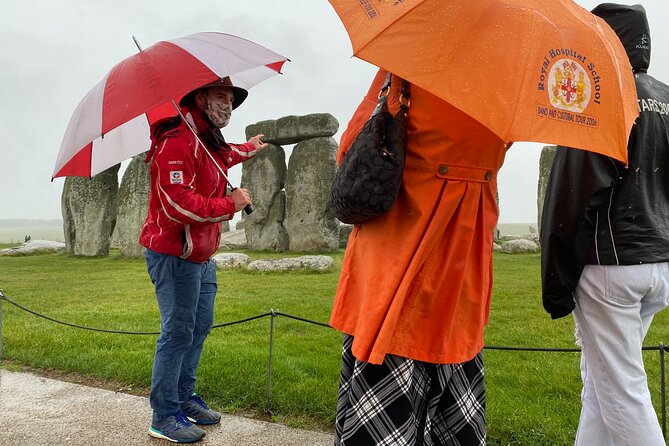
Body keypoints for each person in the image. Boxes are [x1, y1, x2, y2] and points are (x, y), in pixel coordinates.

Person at [330, 69, 509, 445]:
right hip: (462, 266)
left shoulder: (409, 66)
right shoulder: (508, 80)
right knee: (454, 374)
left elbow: (350, 150)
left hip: (398, 259)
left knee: (386, 399)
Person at [540, 4, 669, 445]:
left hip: (609, 265)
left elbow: (572, 194)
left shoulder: (598, 94)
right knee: (602, 386)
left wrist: (556, 281)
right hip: (657, 262)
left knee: (624, 394)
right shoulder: (667, 97)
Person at [139, 76, 268, 443]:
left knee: (198, 328)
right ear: (200, 98)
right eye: (221, 96)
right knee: (177, 332)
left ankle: (183, 397)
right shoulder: (177, 142)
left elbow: (223, 156)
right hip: (175, 255)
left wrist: (248, 148)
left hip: (201, 256)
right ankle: (163, 415)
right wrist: (232, 204)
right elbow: (177, 204)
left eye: (231, 99)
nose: (227, 104)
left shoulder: (205, 138)